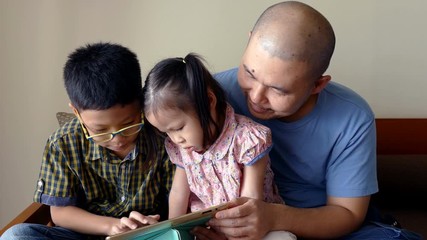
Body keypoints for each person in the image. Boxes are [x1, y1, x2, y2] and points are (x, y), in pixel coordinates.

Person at [192, 1, 422, 240]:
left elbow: (347, 213)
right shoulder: (214, 96)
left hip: (321, 227)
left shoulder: (352, 118)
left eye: (278, 90)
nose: (257, 97)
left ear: (317, 85)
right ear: (249, 41)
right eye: (250, 73)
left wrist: (273, 218)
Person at [1, 42, 174, 240]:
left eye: (129, 124)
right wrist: (112, 226)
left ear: (141, 101)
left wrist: (156, 226)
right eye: (99, 130)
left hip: (149, 234)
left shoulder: (163, 136)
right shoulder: (63, 144)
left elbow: (179, 201)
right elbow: (60, 213)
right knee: (16, 236)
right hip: (87, 235)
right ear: (76, 112)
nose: (117, 139)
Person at [143, 53, 295, 240]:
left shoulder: (247, 138)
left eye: (179, 128)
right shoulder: (183, 148)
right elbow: (178, 194)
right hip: (208, 228)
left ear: (208, 102)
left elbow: (250, 200)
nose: (176, 139)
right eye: (166, 132)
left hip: (251, 225)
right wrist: (174, 233)